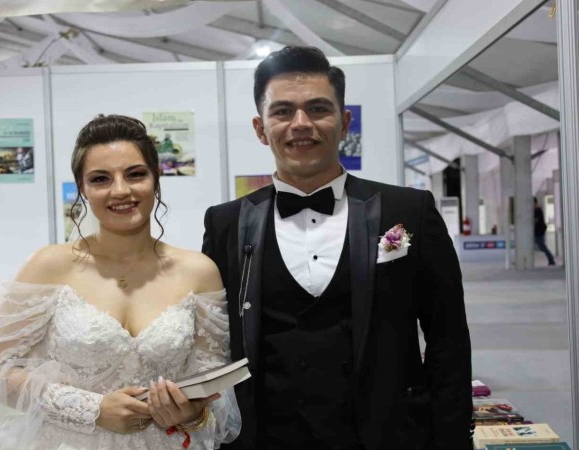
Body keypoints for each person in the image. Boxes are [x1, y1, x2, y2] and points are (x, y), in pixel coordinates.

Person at [202, 46, 473, 450]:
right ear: (260, 129)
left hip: (387, 437)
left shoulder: (408, 211)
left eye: (317, 109)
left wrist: (452, 439)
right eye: (283, 112)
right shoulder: (225, 223)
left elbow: (447, 339)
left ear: (344, 123)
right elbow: (213, 344)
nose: (301, 124)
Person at [0, 115, 241, 450]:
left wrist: (191, 414)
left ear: (156, 179)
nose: (121, 190)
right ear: (82, 188)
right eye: (100, 179)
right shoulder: (49, 266)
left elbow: (216, 387)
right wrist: (90, 409)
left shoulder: (198, 271)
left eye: (135, 174)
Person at [534, 197, 556, 265]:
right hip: (538, 231)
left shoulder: (537, 210)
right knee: (542, 246)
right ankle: (551, 259)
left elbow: (536, 220)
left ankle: (551, 258)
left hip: (539, 231)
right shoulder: (537, 210)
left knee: (542, 246)